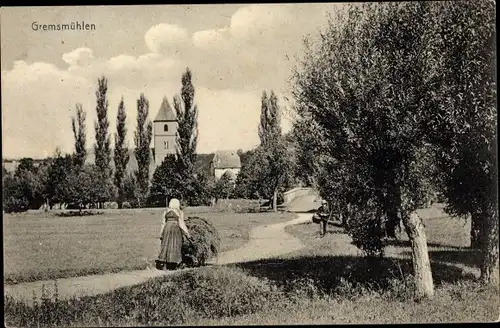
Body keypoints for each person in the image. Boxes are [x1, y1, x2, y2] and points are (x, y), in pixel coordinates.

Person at [156, 198, 191, 270]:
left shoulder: (165, 212)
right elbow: (181, 223)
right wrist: (187, 232)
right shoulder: (179, 212)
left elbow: (163, 223)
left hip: (167, 228)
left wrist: (161, 233)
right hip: (175, 229)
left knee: (166, 244)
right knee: (176, 245)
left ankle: (164, 263)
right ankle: (174, 263)